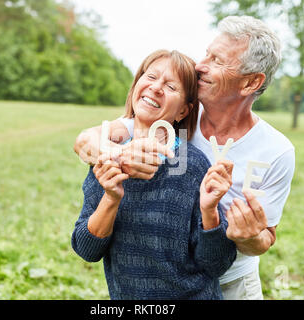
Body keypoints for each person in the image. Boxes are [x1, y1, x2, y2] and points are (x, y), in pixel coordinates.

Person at [73, 16, 295, 300]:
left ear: (251, 82)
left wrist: (246, 234)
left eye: (217, 60)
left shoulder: (276, 150)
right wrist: (114, 161)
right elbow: (87, 140)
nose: (200, 65)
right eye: (206, 53)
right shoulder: (162, 120)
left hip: (233, 280)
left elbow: (265, 239)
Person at [71, 49, 237, 300]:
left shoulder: (192, 165)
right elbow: (87, 250)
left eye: (171, 86)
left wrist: (209, 211)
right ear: (136, 85)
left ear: (183, 111)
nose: (156, 87)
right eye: (150, 77)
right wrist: (111, 199)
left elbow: (217, 264)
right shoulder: (105, 156)